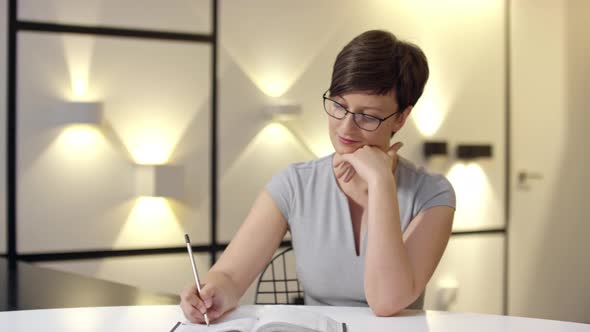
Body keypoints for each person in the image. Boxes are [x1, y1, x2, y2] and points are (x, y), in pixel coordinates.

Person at [180, 29, 456, 322]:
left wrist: (381, 184)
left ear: (401, 118)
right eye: (339, 106)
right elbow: (230, 276)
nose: (346, 128)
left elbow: (387, 302)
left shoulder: (433, 195)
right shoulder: (295, 184)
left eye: (368, 116)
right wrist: (211, 295)